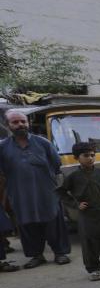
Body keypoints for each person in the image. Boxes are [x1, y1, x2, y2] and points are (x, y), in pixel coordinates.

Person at [0, 110, 71, 268]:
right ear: (8, 125)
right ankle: (36, 255)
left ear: (28, 123)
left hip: (47, 192)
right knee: (27, 225)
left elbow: (56, 164)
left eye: (23, 121)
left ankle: (60, 253)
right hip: (20, 195)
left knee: (54, 222)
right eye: (15, 122)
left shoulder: (43, 142)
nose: (20, 125)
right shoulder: (3, 147)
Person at [58, 143, 100, 280]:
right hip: (87, 215)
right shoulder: (73, 177)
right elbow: (61, 193)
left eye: (92, 155)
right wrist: (76, 204)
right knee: (90, 243)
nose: (90, 158)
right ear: (77, 157)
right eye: (86, 155)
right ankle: (94, 269)